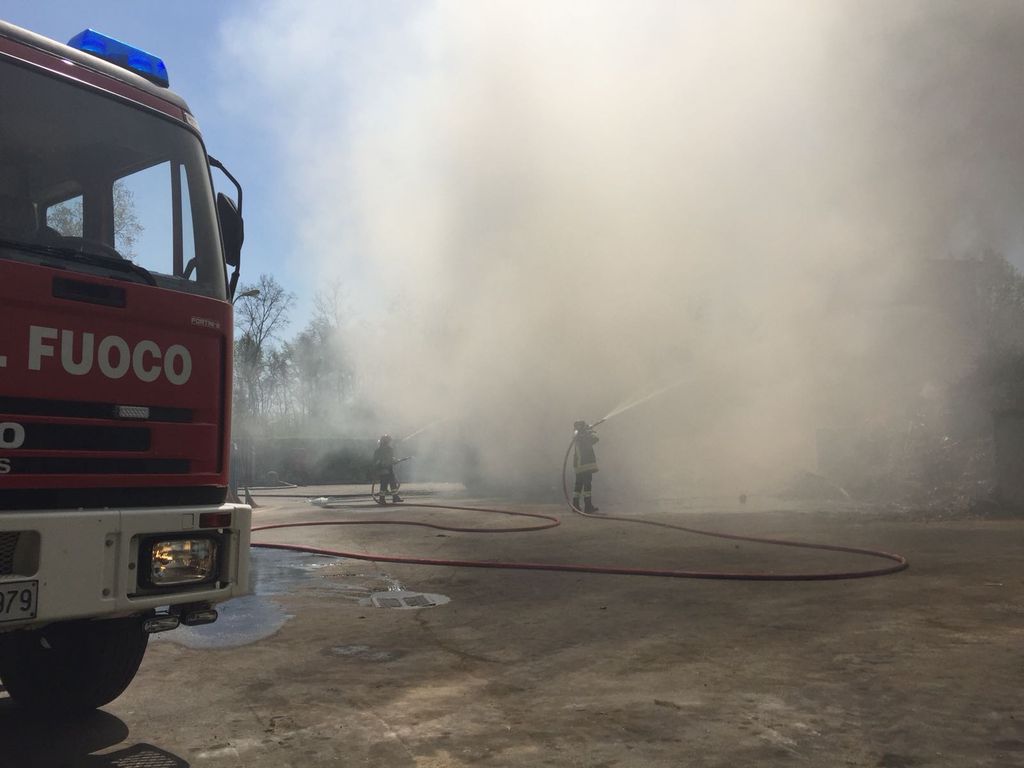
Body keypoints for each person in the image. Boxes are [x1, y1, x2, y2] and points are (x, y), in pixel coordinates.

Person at [572, 420, 599, 513]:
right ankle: (588, 506)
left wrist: (588, 431)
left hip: (578, 465)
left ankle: (575, 505)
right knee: (587, 485)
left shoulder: (578, 436)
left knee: (578, 484)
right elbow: (595, 439)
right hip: (585, 464)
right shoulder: (582, 436)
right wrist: (590, 431)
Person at [372, 434, 403, 504]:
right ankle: (385, 498)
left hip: (386, 469)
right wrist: (392, 461)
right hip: (384, 469)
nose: (389, 443)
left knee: (391, 483)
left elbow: (390, 458)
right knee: (385, 484)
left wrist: (394, 460)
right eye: (388, 441)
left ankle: (392, 497)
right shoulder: (387, 449)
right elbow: (377, 461)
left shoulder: (379, 450)